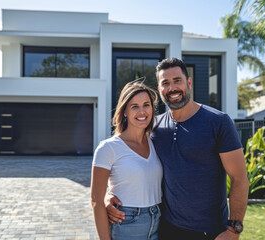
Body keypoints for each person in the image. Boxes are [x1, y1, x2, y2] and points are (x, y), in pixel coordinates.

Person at [106, 58, 249, 240]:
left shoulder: (218, 122)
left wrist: (233, 229)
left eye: (177, 81)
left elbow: (239, 178)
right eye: (165, 83)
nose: (172, 88)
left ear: (188, 83)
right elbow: (126, 160)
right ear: (159, 89)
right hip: (166, 229)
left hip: (210, 231)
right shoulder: (153, 127)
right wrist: (108, 194)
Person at [90, 81, 163, 240]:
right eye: (134, 106)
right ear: (124, 112)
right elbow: (96, 200)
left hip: (158, 221)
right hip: (127, 223)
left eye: (146, 105)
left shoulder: (156, 141)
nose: (142, 111)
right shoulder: (108, 148)